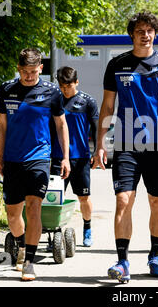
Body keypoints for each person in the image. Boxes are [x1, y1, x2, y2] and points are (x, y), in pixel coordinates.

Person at [92, 11, 158, 283]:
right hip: (125, 143)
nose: (145, 35)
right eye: (140, 30)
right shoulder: (117, 65)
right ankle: (122, 262)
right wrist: (100, 143)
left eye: (150, 30)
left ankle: (155, 256)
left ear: (155, 34)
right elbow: (107, 107)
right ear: (132, 34)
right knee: (124, 199)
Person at [0, 48, 70, 281]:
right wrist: (0, 157)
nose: (29, 76)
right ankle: (20, 245)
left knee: (34, 207)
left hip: (39, 157)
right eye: (25, 72)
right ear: (18, 69)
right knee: (12, 214)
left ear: (41, 68)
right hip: (12, 159)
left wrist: (65, 157)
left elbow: (61, 125)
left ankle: (29, 261)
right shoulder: (6, 90)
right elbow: (2, 126)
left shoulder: (51, 92)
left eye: (33, 71)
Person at [50, 66, 99, 247]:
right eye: (62, 86)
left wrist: (96, 151)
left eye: (68, 86)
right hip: (57, 157)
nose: (65, 90)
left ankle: (87, 229)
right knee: (54, 196)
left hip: (81, 158)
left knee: (84, 197)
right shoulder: (55, 102)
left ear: (76, 82)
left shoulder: (88, 102)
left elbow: (95, 128)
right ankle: (55, 233)